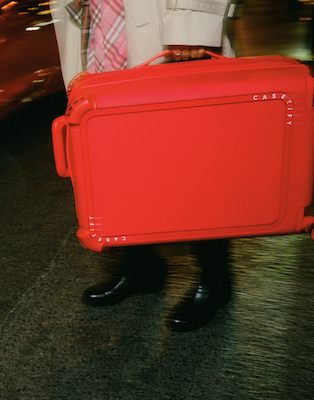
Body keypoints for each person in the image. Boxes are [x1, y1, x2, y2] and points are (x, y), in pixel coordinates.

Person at [50, 0, 240, 332]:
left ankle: (215, 277)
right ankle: (142, 267)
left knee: (194, 163)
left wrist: (192, 20)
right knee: (121, 161)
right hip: (102, 24)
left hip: (167, 24)